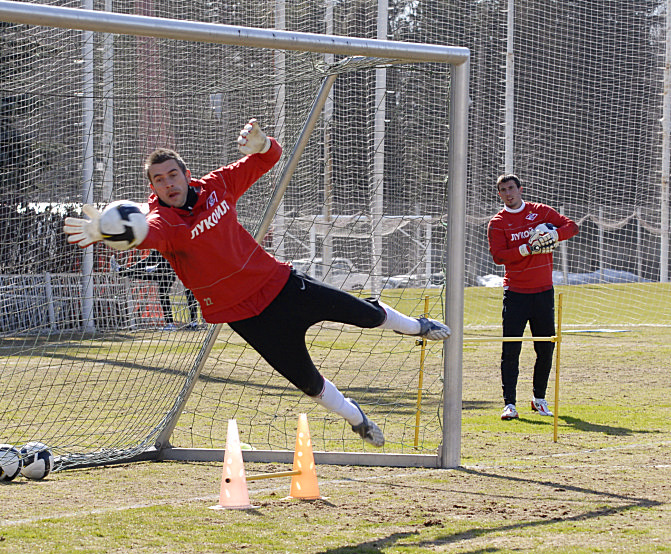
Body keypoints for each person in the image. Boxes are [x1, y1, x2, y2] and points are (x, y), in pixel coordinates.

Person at [64, 118, 451, 447]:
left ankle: (419, 326)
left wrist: (263, 143)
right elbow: (147, 235)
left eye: (172, 175)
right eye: (158, 180)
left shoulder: (217, 186)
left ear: (186, 174)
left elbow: (268, 158)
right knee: (309, 384)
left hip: (281, 285)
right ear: (153, 187)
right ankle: (357, 420)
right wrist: (109, 231)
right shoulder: (161, 221)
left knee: (363, 314)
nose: (168, 183)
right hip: (246, 316)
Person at [487, 174, 579, 421]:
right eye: (503, 190)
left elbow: (571, 227)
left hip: (542, 293)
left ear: (520, 189)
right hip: (515, 293)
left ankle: (539, 399)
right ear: (500, 194)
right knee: (511, 350)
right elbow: (498, 256)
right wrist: (527, 248)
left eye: (512, 188)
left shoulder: (541, 212)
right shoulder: (498, 223)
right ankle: (509, 404)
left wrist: (554, 236)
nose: (508, 193)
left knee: (545, 348)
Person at [111, 250, 200, 330]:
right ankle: (180, 323)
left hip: (174, 267)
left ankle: (192, 322)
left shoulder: (166, 245)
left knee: (188, 290)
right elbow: (148, 260)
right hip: (167, 269)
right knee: (164, 292)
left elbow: (148, 260)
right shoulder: (161, 248)